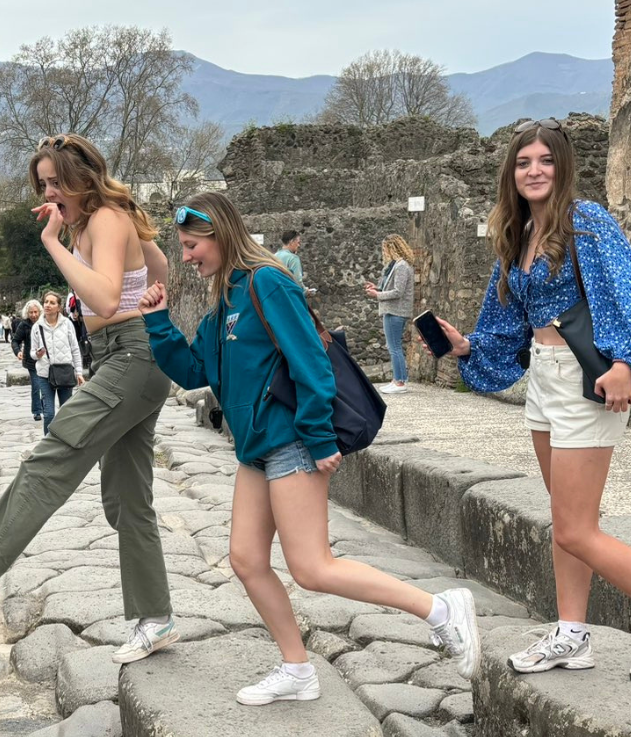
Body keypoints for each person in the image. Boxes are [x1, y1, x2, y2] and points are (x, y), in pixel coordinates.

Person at [138, 192, 479, 705]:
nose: (186, 257)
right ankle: (296, 668)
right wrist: (159, 323)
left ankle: (440, 609)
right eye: (183, 247)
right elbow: (195, 373)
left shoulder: (268, 283)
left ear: (220, 235)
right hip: (256, 448)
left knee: (312, 567)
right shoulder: (224, 302)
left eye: (191, 245)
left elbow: (312, 362)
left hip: (292, 440)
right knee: (247, 559)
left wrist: (319, 437)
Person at [434, 117, 631, 686]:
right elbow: (507, 322)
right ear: (509, 173)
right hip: (543, 378)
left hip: (585, 379)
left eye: (545, 161)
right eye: (523, 162)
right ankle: (572, 633)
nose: (534, 171)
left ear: (562, 169)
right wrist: (466, 345)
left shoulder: (586, 223)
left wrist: (625, 364)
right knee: (566, 521)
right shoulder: (518, 236)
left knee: (576, 530)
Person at [0, 134, 179, 665]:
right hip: (127, 357)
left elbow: (103, 297)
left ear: (84, 178)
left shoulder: (103, 219)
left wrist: (53, 244)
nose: (50, 192)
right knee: (126, 500)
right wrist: (146, 292)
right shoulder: (102, 220)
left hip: (131, 357)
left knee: (50, 458)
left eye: (57, 182)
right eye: (43, 184)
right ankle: (156, 619)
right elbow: (159, 270)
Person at [364, 234, 417, 396]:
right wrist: (377, 288)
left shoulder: (401, 266)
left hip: (396, 311)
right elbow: (391, 288)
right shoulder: (397, 266)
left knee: (394, 347)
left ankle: (400, 381)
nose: (384, 252)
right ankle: (397, 380)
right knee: (393, 346)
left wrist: (377, 295)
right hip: (392, 310)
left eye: (385, 248)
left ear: (391, 248)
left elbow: (398, 292)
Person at [29, 290, 85, 435]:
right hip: (44, 373)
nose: (48, 305)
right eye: (46, 302)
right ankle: (47, 445)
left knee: (66, 411)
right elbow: (32, 353)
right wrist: (37, 354)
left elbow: (75, 349)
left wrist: (78, 372)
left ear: (59, 307)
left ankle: (66, 440)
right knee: (48, 413)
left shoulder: (67, 324)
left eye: (52, 302)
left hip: (64, 372)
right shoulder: (37, 327)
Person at [14, 299, 43, 421]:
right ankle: (37, 411)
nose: (33, 315)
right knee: (36, 386)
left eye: (36, 312)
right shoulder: (24, 325)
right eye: (31, 312)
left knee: (46, 387)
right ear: (27, 313)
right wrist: (18, 351)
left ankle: (44, 406)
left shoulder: (45, 322)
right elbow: (15, 340)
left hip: (46, 360)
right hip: (31, 361)